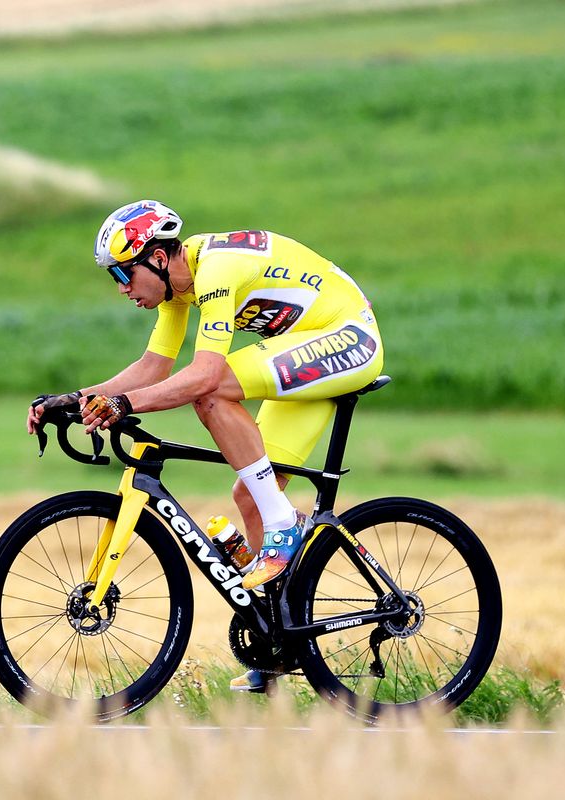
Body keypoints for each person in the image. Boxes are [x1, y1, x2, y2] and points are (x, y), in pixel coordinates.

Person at [26, 200, 384, 689]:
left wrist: (125, 406)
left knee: (213, 393)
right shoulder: (178, 286)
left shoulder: (216, 269)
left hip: (345, 338)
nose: (122, 289)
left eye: (123, 274)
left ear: (156, 257)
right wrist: (76, 399)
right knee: (250, 496)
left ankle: (285, 525)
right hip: (303, 351)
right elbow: (154, 367)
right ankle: (278, 643)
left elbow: (205, 376)